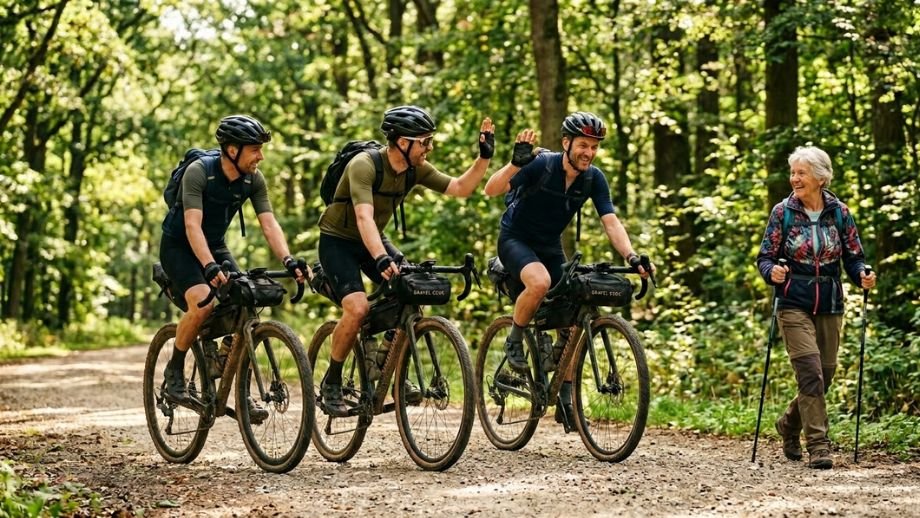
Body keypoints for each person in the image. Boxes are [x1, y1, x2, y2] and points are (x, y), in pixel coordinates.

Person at [317, 105, 495, 417]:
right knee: (357, 308)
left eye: (430, 141)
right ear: (402, 142)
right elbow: (363, 217)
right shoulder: (364, 165)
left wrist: (484, 157)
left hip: (374, 238)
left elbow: (460, 188)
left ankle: (389, 364)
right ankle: (332, 381)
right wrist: (381, 258)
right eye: (424, 142)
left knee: (412, 288)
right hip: (339, 241)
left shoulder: (415, 169)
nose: (430, 147)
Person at [483, 111, 653, 431]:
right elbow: (491, 190)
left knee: (574, 311)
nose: (589, 152)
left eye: (594, 147)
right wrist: (515, 164)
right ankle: (515, 340)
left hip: (549, 247)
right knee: (540, 282)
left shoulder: (593, 179)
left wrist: (631, 256)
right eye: (583, 145)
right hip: (515, 240)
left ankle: (565, 396)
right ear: (566, 143)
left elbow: (610, 222)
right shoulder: (540, 165)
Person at [159, 114, 308, 422]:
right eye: (254, 149)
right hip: (179, 246)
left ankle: (239, 388)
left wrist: (288, 259)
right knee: (203, 303)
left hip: (214, 245)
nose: (260, 156)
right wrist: (209, 267)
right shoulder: (200, 172)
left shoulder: (254, 179)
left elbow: (269, 224)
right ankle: (174, 369)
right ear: (231, 150)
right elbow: (192, 225)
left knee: (246, 299)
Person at [756, 145, 876, 469]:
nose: (794, 179)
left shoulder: (839, 213)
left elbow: (854, 257)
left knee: (826, 374)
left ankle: (788, 424)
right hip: (793, 301)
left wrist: (862, 275)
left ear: (821, 178)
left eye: (801, 173)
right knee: (810, 372)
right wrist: (772, 272)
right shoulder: (783, 212)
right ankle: (819, 446)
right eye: (793, 173)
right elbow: (765, 257)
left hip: (830, 302)